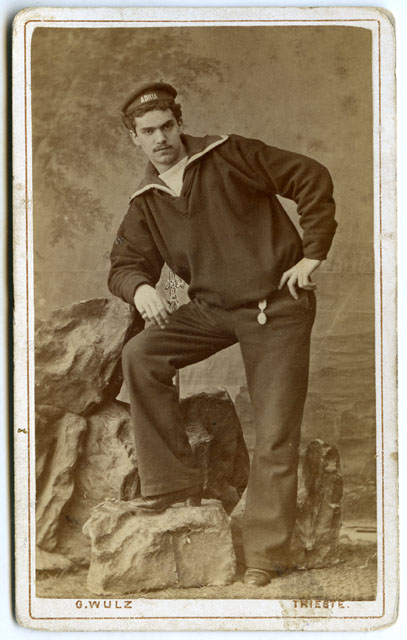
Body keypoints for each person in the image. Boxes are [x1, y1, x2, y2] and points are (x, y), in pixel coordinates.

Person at [108, 81, 337, 586]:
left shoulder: (229, 154)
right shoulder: (146, 201)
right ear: (134, 139)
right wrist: (140, 288)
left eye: (167, 126)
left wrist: (313, 253)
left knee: (274, 432)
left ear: (179, 123)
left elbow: (311, 176)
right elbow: (124, 264)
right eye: (148, 131)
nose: (160, 138)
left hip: (277, 306)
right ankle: (172, 485)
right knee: (143, 354)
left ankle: (265, 556)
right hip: (212, 311)